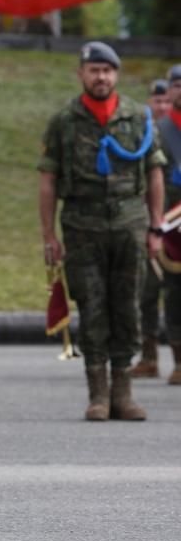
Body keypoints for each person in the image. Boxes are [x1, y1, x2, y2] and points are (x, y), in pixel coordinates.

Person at [38, 42, 165, 421]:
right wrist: (48, 235)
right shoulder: (64, 121)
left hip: (129, 224)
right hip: (81, 226)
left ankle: (123, 392)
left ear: (117, 74)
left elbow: (153, 172)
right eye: (93, 70)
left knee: (128, 305)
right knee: (92, 306)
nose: (101, 77)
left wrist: (156, 225)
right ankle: (98, 393)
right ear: (81, 74)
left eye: (107, 70)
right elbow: (48, 180)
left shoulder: (138, 118)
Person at [131, 77, 174, 378]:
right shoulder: (148, 132)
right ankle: (149, 356)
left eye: (165, 101)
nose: (161, 105)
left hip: (177, 220)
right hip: (155, 220)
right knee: (147, 290)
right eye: (156, 101)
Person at [153, 64, 181, 385]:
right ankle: (178, 359)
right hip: (170, 222)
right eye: (177, 85)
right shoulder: (158, 131)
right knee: (174, 292)